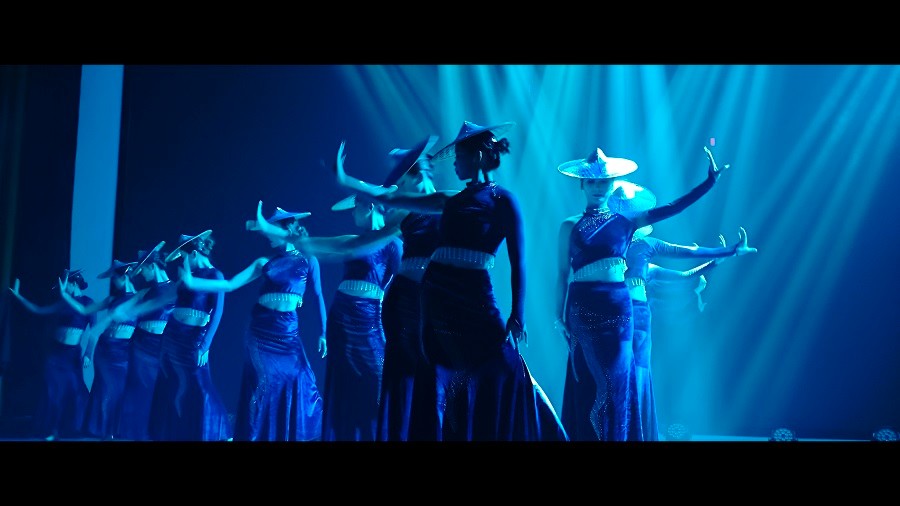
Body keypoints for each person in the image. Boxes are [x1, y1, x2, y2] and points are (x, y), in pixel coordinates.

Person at [344, 120, 568, 441]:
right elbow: (393, 200)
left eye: (459, 157)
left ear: (478, 156)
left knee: (503, 367)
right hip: (437, 300)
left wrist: (517, 314)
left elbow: (519, 262)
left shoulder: (504, 201)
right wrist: (348, 180)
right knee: (445, 373)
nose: (454, 164)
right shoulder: (450, 199)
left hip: (476, 297)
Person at [555, 145, 730, 441]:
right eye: (592, 181)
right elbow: (561, 275)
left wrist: (708, 183)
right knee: (586, 378)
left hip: (618, 309)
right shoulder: (569, 225)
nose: (598, 187)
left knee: (619, 380)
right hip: (581, 308)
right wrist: (557, 316)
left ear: (612, 184)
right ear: (582, 184)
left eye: (604, 182)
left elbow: (673, 207)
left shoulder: (626, 223)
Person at [254, 190, 402, 442]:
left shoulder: (393, 244)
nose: (353, 214)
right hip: (342, 316)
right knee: (346, 383)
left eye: (355, 208)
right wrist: (270, 228)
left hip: (370, 318)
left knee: (378, 379)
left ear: (369, 207)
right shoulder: (353, 240)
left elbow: (400, 286)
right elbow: (315, 244)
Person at [330, 135, 444, 441]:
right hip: (405, 302)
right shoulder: (402, 210)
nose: (398, 189)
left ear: (419, 174)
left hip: (435, 299)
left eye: (403, 180)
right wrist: (346, 179)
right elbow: (382, 195)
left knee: (435, 374)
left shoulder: (446, 201)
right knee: (406, 373)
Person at [182, 207, 327, 441]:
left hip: (288, 332)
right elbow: (230, 285)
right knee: (265, 382)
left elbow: (318, 295)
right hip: (261, 331)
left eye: (271, 229)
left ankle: (285, 434)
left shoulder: (308, 261)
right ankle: (255, 436)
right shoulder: (265, 262)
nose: (267, 234)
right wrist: (192, 281)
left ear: (286, 229)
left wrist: (324, 332)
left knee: (301, 378)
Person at [145, 230, 232, 441]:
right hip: (172, 335)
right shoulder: (185, 278)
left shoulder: (215, 275)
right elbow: (165, 298)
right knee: (171, 384)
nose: (182, 262)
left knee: (200, 384)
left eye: (184, 257)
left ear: (193, 254)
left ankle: (219, 432)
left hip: (194, 338)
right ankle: (175, 433)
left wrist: (205, 345)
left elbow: (218, 313)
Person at [7, 269, 95, 440]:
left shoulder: (87, 303)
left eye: (65, 284)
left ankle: (71, 427)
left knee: (74, 389)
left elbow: (93, 332)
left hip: (72, 355)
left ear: (73, 283)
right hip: (55, 353)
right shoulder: (63, 302)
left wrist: (88, 354)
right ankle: (51, 429)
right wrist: (19, 297)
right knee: (51, 389)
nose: (63, 288)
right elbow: (39, 310)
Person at [59, 258, 139, 440]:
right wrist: (64, 295)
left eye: (115, 279)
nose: (114, 282)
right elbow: (84, 310)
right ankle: (103, 430)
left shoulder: (137, 298)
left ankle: (115, 430)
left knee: (119, 389)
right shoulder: (112, 299)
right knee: (104, 389)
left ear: (124, 277)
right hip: (105, 350)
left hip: (124, 351)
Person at [116, 241, 175, 441]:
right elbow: (123, 309)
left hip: (162, 346)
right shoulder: (143, 292)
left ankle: (155, 434)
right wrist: (123, 311)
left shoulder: (174, 288)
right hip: (140, 344)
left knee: (159, 390)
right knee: (139, 388)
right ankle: (135, 434)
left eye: (144, 269)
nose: (142, 274)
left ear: (153, 266)